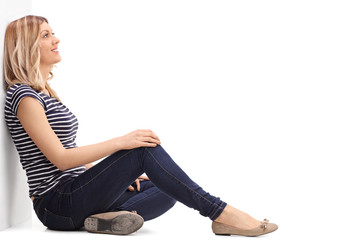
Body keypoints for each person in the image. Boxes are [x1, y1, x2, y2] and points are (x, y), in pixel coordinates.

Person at [3, 15, 278, 237]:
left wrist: (116, 175)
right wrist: (121, 143)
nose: (56, 38)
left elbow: (68, 151)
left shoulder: (44, 93)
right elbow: (60, 160)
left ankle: (107, 219)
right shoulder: (24, 96)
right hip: (57, 203)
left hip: (76, 192)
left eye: (53, 32)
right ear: (26, 46)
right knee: (141, 150)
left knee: (164, 187)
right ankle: (221, 213)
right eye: (46, 35)